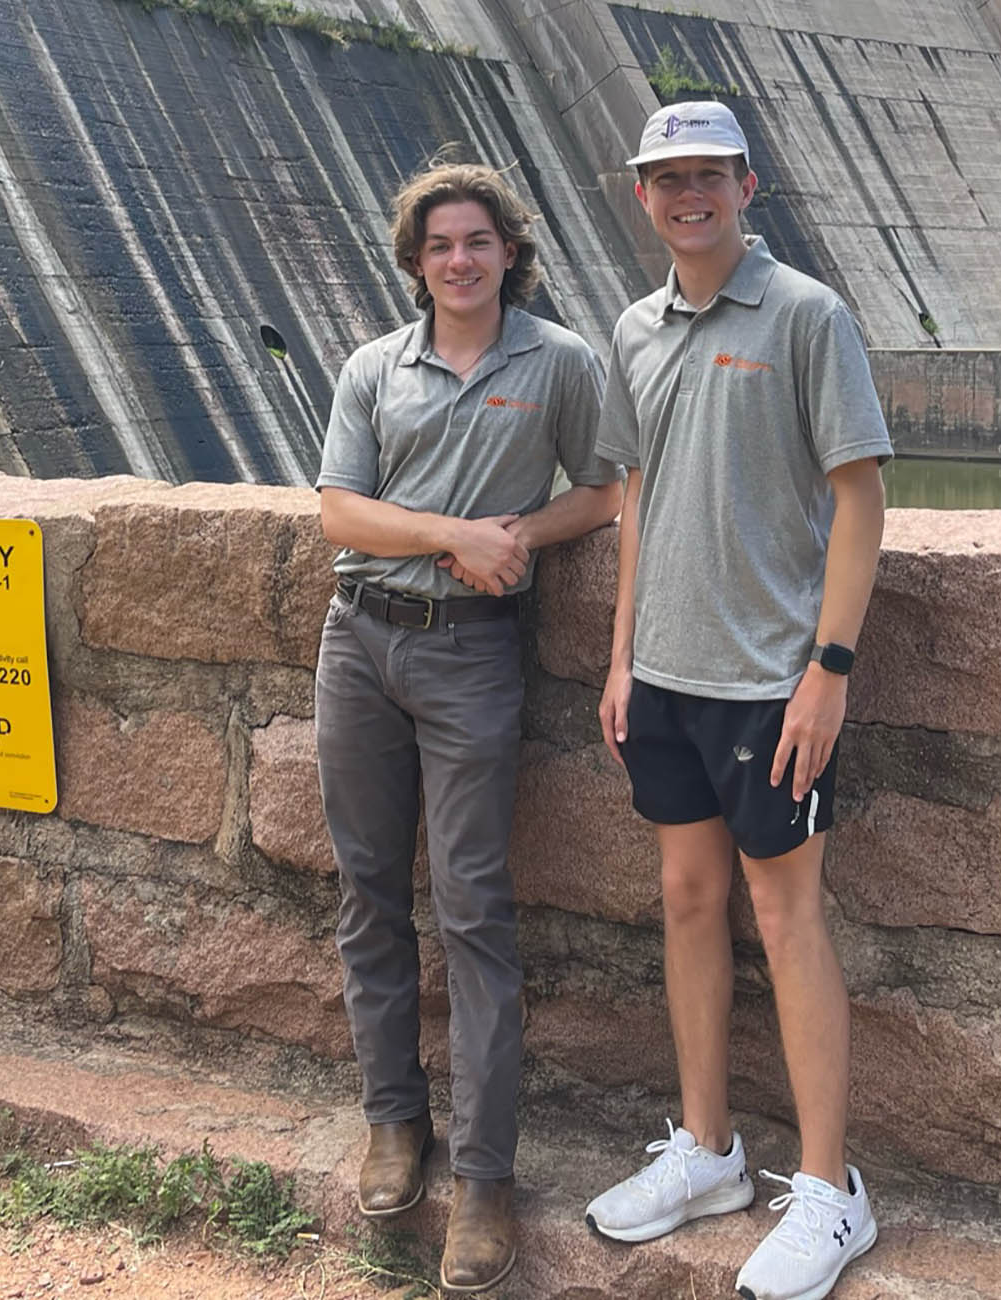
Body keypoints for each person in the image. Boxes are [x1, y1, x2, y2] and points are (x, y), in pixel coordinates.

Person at [581, 102, 894, 1300]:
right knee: (685, 899)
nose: (688, 194)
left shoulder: (807, 314)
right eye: (668, 179)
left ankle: (830, 1192)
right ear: (643, 195)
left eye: (708, 174)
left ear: (746, 186)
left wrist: (830, 668)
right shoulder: (636, 329)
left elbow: (858, 500)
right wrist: (620, 657)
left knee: (786, 915)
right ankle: (707, 1150)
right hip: (663, 678)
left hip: (771, 682)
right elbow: (638, 497)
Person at [314, 160, 621, 1294]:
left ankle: (485, 1177)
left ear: (507, 252)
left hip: (471, 654)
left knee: (475, 907)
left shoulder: (560, 362)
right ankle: (396, 1123)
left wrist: (519, 537)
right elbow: (339, 509)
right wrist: (453, 533)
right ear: (415, 262)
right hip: (357, 640)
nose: (458, 260)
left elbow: (603, 489)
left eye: (476, 242)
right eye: (439, 245)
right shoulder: (370, 369)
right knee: (365, 893)